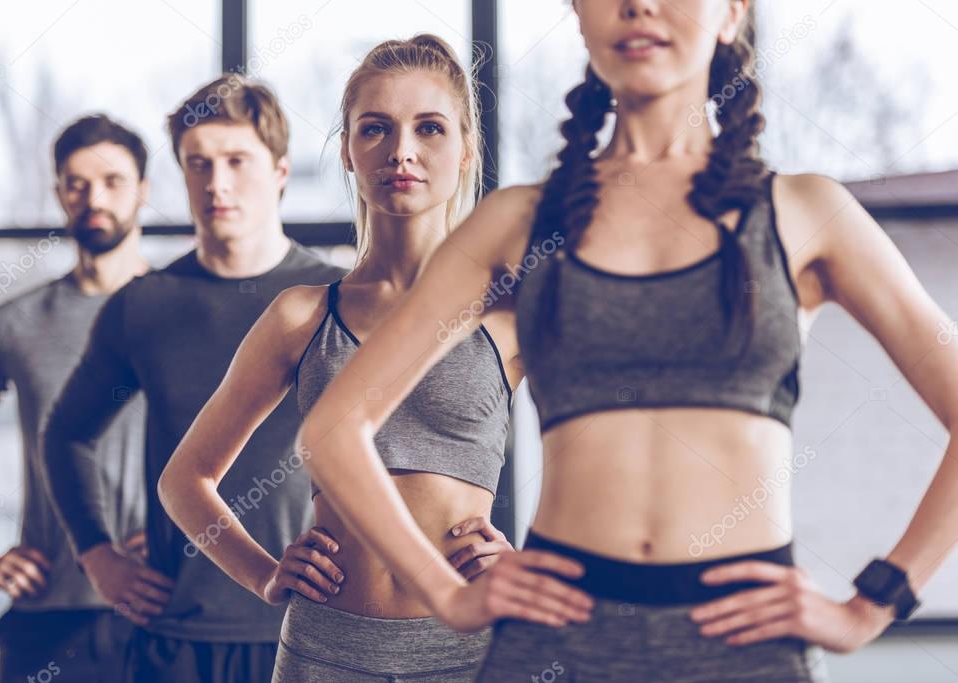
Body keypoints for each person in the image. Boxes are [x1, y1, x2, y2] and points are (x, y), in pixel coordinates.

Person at [296, 1, 958, 681]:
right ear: (580, 15)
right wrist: (448, 596)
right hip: (554, 645)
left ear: (731, 14)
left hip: (745, 646)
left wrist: (873, 602)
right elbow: (333, 429)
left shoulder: (806, 213)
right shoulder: (516, 224)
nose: (639, 5)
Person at [159, 34, 520, 682]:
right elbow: (183, 481)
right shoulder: (302, 315)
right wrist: (265, 573)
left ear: (466, 149)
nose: (401, 151)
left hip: (470, 649)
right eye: (375, 128)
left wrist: (538, 558)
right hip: (324, 649)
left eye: (429, 128)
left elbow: (617, 450)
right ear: (349, 152)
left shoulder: (508, 312)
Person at [42, 75, 346, 683]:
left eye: (237, 161)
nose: (217, 183)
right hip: (177, 635)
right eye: (198, 164)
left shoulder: (338, 298)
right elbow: (68, 435)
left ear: (281, 171)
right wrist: (97, 553)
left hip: (315, 626)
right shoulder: (145, 305)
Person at [0, 114, 150, 683]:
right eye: (76, 183)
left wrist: (188, 540)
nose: (93, 198)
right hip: (50, 618)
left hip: (163, 610)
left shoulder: (184, 313)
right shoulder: (18, 322)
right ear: (59, 194)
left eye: (111, 181)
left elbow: (260, 444)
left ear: (143, 192)